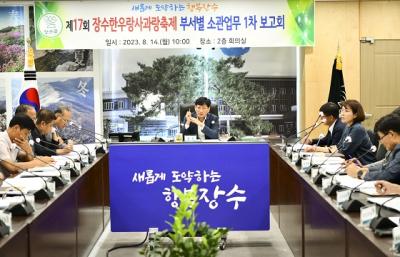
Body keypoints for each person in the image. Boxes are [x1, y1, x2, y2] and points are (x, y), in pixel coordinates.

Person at [317, 99, 376, 165]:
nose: (342, 114)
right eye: (341, 110)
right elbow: (338, 147)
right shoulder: (348, 127)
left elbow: (344, 152)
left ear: (355, 115)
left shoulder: (357, 129)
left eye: (346, 111)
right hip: (351, 163)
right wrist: (315, 149)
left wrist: (320, 149)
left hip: (364, 165)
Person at [346, 113, 400, 182]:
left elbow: (388, 175)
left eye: (381, 138)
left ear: (391, 134)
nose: (381, 142)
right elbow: (385, 163)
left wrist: (358, 173)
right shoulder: (395, 147)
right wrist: (362, 167)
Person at [0, 114, 53, 179]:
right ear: (16, 128)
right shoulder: (1, 140)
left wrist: (28, 150)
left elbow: (28, 159)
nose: (26, 138)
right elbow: (12, 167)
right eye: (26, 133)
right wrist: (37, 163)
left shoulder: (13, 141)